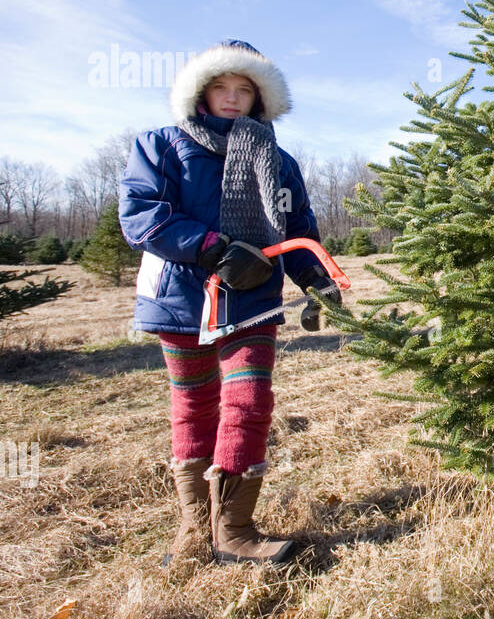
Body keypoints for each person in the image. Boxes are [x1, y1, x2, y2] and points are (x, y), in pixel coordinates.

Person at [118, 39, 341, 567]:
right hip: (182, 299)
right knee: (194, 406)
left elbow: (298, 228)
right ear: (200, 91)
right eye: (222, 86)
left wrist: (315, 281)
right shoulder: (161, 146)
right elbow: (141, 215)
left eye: (245, 89)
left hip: (253, 299)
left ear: (261, 98)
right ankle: (194, 530)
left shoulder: (278, 161)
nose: (233, 98)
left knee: (250, 402)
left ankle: (234, 530)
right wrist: (213, 248)